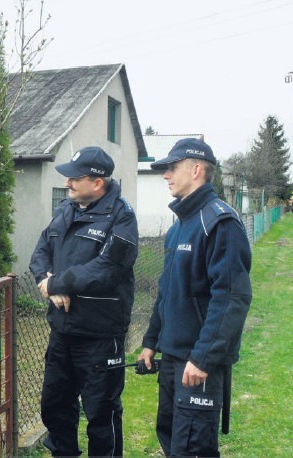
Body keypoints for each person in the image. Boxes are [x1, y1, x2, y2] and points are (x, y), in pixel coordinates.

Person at [138, 138, 252, 457]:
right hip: (173, 360)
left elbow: (232, 297)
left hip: (197, 363)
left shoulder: (219, 222)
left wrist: (203, 357)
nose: (165, 175)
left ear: (197, 169)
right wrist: (151, 342)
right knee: (171, 439)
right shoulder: (179, 228)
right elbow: (168, 291)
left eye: (172, 168)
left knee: (193, 448)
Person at [30, 146, 139, 457]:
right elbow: (40, 252)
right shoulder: (66, 209)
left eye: (74, 178)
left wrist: (59, 282)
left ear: (97, 182)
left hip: (100, 336)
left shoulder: (122, 217)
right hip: (62, 332)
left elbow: (107, 269)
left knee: (101, 414)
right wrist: (47, 283)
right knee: (55, 407)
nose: (67, 183)